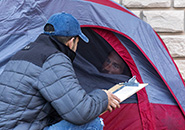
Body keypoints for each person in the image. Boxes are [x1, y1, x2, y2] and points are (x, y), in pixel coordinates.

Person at [0, 12, 120, 130]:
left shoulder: (24, 52)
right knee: (93, 123)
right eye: (78, 43)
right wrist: (104, 96)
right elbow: (81, 112)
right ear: (71, 42)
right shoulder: (53, 59)